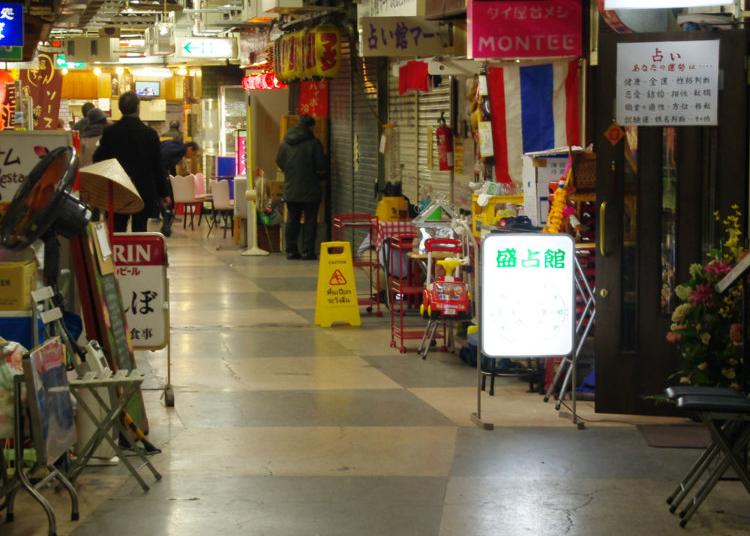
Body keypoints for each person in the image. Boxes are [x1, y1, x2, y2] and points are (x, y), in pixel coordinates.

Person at [93, 91, 170, 233]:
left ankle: (118, 254)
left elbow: (97, 159)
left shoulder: (110, 133)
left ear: (120, 108)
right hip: (143, 190)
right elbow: (157, 166)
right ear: (138, 107)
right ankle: (137, 254)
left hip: (117, 189)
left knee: (117, 230)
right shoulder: (149, 134)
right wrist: (163, 192)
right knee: (140, 229)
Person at [275, 115, 326, 260]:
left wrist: (290, 172)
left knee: (292, 219)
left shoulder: (285, 142)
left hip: (291, 188)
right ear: (310, 127)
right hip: (310, 188)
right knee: (310, 220)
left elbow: (279, 160)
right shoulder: (314, 143)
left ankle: (291, 250)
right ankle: (307, 251)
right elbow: (321, 165)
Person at [159, 140, 200, 236]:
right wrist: (165, 175)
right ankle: (166, 226)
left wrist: (172, 177)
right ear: (189, 148)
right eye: (193, 153)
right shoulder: (179, 149)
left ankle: (166, 225)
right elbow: (164, 158)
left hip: (161, 173)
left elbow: (170, 164)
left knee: (167, 200)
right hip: (160, 173)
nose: (191, 156)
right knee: (166, 199)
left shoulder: (178, 146)